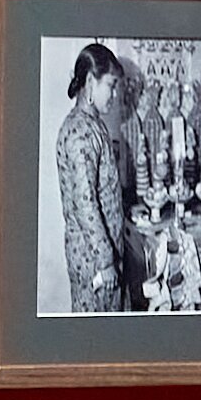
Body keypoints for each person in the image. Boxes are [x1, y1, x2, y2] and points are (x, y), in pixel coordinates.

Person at [49, 41, 145, 314]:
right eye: (111, 86)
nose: (115, 95)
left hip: (104, 253)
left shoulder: (93, 124)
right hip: (94, 261)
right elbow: (85, 203)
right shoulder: (80, 132)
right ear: (91, 81)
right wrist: (105, 260)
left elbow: (102, 190)